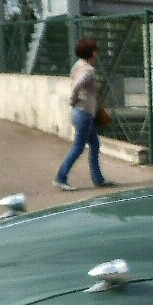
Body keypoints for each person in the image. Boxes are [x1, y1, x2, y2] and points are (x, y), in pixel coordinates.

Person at [54, 37, 114, 191]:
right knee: (78, 147)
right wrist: (73, 100)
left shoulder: (77, 66)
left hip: (81, 113)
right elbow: (77, 87)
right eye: (95, 51)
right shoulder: (88, 70)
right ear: (92, 53)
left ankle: (98, 179)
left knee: (95, 144)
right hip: (84, 114)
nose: (97, 54)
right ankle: (61, 177)